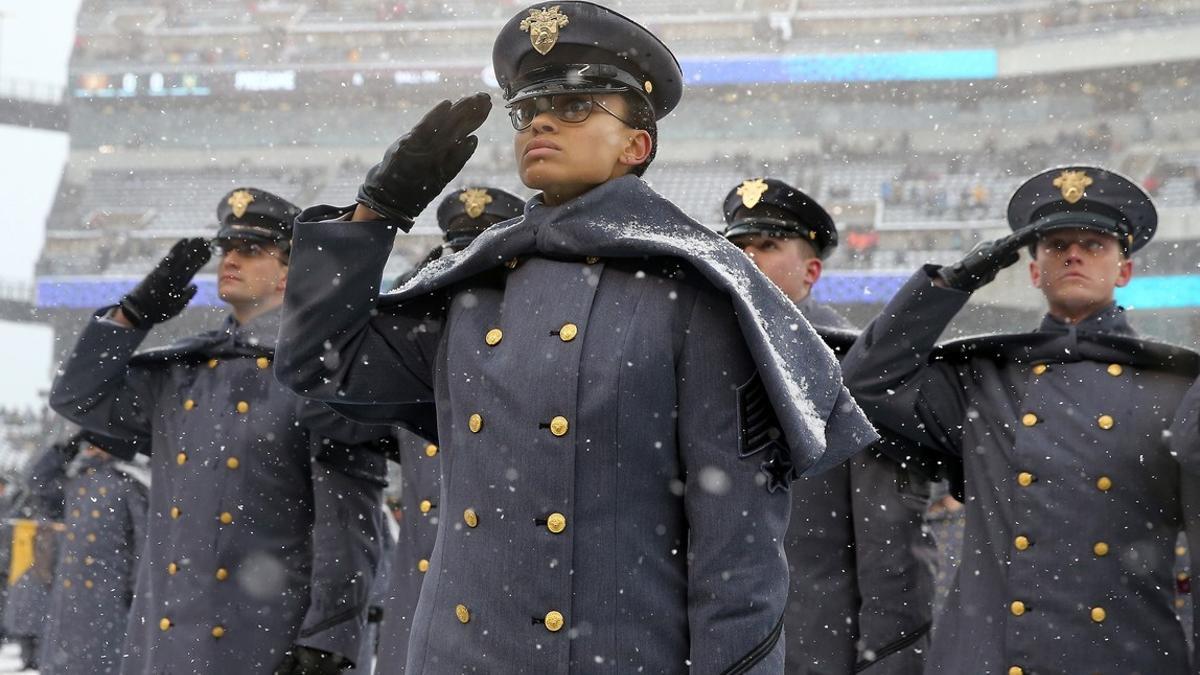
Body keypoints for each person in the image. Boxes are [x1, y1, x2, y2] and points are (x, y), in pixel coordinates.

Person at [273, 2, 875, 672]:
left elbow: (738, 561)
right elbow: (318, 363)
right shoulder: (472, 290)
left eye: (577, 103)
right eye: (528, 108)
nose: (542, 119)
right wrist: (376, 211)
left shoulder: (696, 295)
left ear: (635, 145)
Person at [842, 166, 1200, 674]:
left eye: (1093, 245)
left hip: (1125, 654)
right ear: (1033, 272)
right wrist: (948, 284)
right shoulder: (985, 380)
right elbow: (865, 386)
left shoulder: (1177, 387)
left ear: (1124, 271)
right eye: (1055, 246)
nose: (1073, 254)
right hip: (988, 657)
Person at [49, 187, 393, 675]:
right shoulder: (183, 372)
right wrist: (132, 315)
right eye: (226, 249)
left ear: (288, 272)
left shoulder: (317, 374)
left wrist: (329, 639)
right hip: (163, 644)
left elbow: (347, 525)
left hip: (260, 640)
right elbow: (75, 398)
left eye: (251, 251)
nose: (230, 259)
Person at [723, 178, 934, 674]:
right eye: (737, 247)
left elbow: (890, 548)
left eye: (768, 246)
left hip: (815, 653)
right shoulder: (697, 361)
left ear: (811, 270)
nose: (748, 259)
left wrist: (888, 661)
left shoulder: (852, 371)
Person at [372, 186, 524, 675]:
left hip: (509, 614)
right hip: (424, 612)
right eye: (455, 261)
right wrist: (408, 290)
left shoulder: (541, 359)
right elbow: (324, 409)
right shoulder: (418, 360)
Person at [38, 432, 148, 675]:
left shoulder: (128, 484)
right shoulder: (75, 482)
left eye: (100, 446)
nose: (93, 451)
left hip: (107, 592)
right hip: (69, 595)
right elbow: (38, 483)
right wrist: (62, 451)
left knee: (102, 664)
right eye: (90, 446)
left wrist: (137, 587)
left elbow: (143, 541)